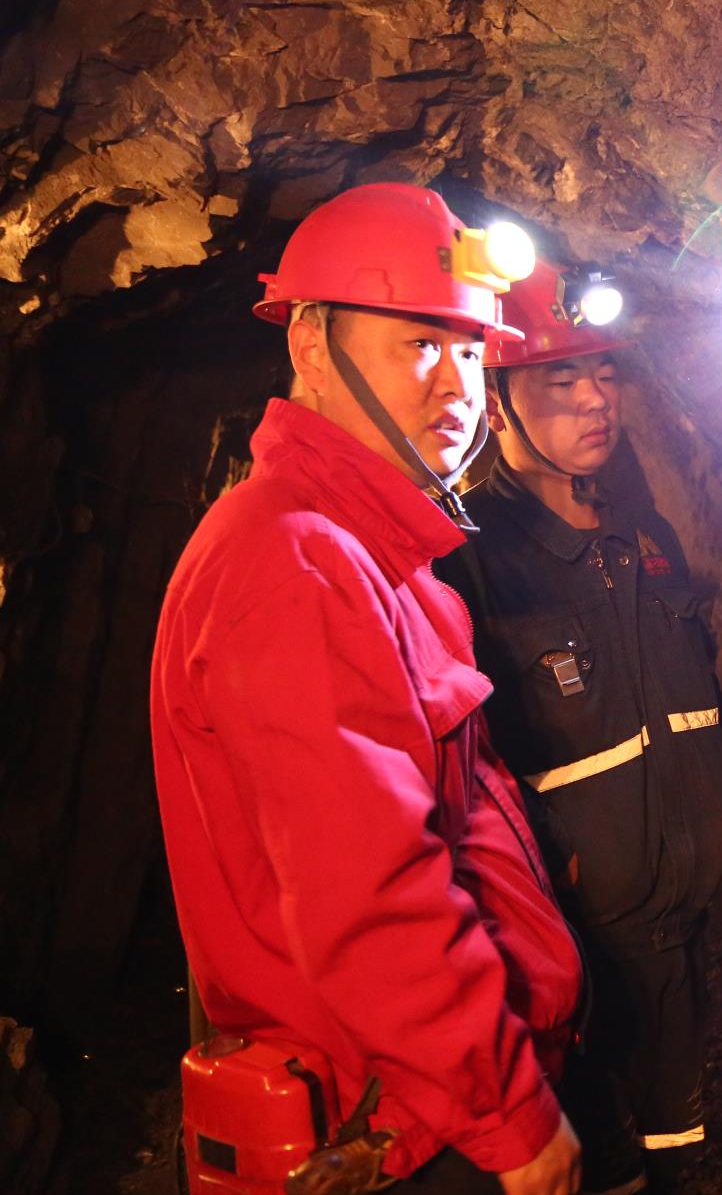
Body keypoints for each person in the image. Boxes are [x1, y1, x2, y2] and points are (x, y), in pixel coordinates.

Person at [151, 183, 584, 1193]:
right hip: (407, 1120)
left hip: (431, 1095)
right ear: (311, 345)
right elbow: (369, 893)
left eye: (471, 351)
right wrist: (511, 1117)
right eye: (420, 344)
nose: (458, 387)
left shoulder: (368, 553)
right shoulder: (294, 561)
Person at [435, 262, 722, 1191]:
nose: (595, 399)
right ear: (497, 402)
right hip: (574, 938)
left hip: (680, 904)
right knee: (601, 1151)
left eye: (605, 373)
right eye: (560, 379)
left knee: (676, 1136)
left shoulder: (645, 535)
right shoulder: (468, 561)